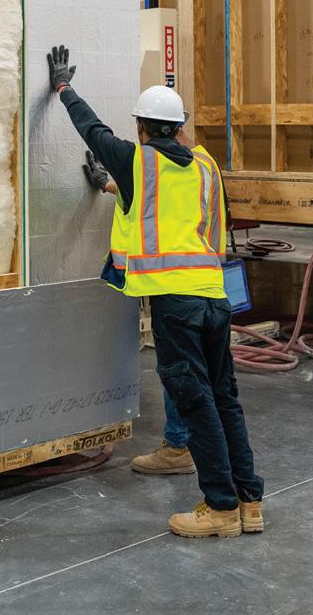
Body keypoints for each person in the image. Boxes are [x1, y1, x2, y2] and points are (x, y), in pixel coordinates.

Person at [49, 45, 264, 538]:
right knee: (225, 399)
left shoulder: (137, 161)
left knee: (197, 403)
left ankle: (221, 507)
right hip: (213, 297)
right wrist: (111, 186)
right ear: (180, 126)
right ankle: (249, 502)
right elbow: (171, 205)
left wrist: (64, 86)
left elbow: (92, 130)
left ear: (141, 127)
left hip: (177, 305)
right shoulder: (205, 166)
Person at [84, 152, 195, 476]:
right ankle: (191, 445)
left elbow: (150, 195)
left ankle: (178, 448)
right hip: (198, 282)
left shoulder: (175, 166)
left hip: (176, 284)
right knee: (193, 370)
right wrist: (109, 185)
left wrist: (109, 183)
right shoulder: (199, 166)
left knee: (177, 368)